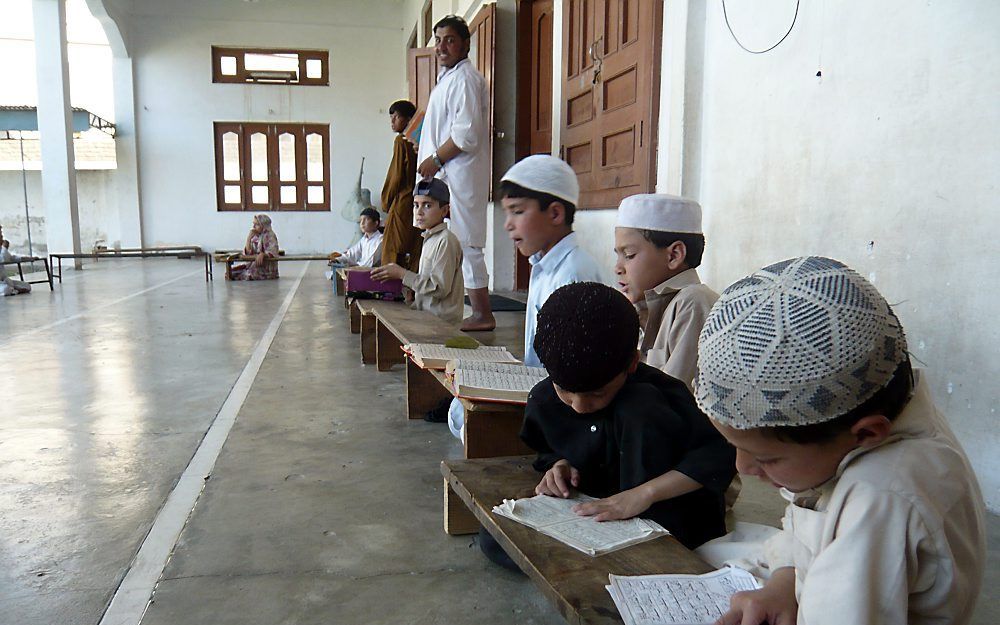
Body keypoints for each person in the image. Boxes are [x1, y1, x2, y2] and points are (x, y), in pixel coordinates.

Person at [695, 257, 986, 625]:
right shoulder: (874, 415)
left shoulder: (879, 499)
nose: (741, 468)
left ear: (867, 433)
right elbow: (805, 521)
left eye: (766, 459)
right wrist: (786, 580)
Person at [509, 282, 735, 552]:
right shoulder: (545, 397)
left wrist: (645, 494)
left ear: (632, 363)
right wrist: (560, 465)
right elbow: (545, 446)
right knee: (498, 541)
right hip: (592, 512)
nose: (579, 407)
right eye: (565, 392)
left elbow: (718, 456)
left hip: (663, 511)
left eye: (597, 393)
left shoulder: (658, 397)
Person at [442, 154, 604, 437]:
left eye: (517, 211)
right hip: (538, 383)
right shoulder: (544, 266)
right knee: (459, 401)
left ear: (555, 213)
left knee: (468, 415)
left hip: (563, 402)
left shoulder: (573, 274)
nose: (507, 224)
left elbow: (577, 377)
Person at [416, 14, 494, 331]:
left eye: (449, 39)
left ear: (465, 43)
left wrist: (435, 159)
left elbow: (466, 135)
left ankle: (482, 314)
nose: (442, 46)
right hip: (445, 176)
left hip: (458, 173)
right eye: (438, 40)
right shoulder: (448, 78)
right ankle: (446, 303)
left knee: (467, 242)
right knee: (444, 239)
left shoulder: (465, 80)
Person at [614, 194, 718, 392]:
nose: (618, 268)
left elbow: (670, 397)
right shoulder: (647, 307)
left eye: (629, 255)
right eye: (618, 255)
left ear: (674, 255)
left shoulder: (692, 303)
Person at [371, 178, 464, 326]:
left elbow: (439, 289)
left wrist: (402, 274)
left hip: (441, 324)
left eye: (427, 205)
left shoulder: (446, 241)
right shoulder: (428, 238)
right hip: (426, 314)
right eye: (416, 205)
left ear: (444, 210)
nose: (419, 212)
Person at [379, 99, 422, 271]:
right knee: (415, 246)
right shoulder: (418, 141)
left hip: (402, 201)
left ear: (409, 119)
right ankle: (412, 289)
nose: (392, 122)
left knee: (393, 249)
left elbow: (396, 176)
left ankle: (392, 288)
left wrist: (386, 200)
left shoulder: (401, 141)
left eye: (396, 117)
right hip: (418, 200)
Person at [227, 214, 279, 281]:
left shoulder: (270, 236)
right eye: (253, 224)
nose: (254, 227)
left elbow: (273, 252)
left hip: (266, 268)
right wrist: (249, 238)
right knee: (230, 273)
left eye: (257, 224)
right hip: (253, 264)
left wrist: (263, 254)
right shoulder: (256, 236)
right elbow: (248, 252)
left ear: (263, 225)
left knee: (246, 275)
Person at [0, 225, 31, 296]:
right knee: (5, 289)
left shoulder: (1, 249)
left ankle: (13, 289)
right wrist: (5, 248)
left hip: (3, 280)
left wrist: (28, 258)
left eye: (1, 234)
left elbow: (11, 258)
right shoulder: (3, 249)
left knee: (27, 286)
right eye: (0, 234)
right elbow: (2, 259)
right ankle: (14, 290)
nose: (2, 237)